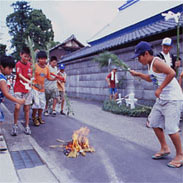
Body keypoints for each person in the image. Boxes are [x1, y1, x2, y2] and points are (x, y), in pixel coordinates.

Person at [130, 41, 183, 168]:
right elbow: (152, 78)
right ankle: (165, 148)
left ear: (146, 53)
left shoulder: (157, 61)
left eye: (139, 57)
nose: (138, 60)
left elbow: (172, 73)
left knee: (171, 128)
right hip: (162, 99)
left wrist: (160, 89)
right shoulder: (150, 64)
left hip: (173, 99)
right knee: (153, 122)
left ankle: (180, 155)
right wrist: (137, 74)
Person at [0, 55, 25, 150]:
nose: (11, 71)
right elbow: (7, 94)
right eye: (9, 68)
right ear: (2, 67)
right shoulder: (2, 79)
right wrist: (18, 100)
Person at [31, 51, 56, 126]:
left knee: (42, 104)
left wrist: (56, 78)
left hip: (42, 89)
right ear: (38, 59)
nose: (43, 60)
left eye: (44, 59)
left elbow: (48, 77)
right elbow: (30, 77)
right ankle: (34, 118)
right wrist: (34, 84)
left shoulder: (46, 68)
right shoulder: (34, 66)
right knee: (36, 104)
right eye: (41, 59)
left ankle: (39, 117)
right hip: (35, 88)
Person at [12, 47, 32, 136]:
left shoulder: (30, 65)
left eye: (28, 57)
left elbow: (31, 75)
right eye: (25, 56)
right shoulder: (18, 64)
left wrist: (31, 77)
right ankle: (15, 125)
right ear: (21, 55)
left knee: (27, 109)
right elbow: (19, 75)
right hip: (18, 88)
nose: (26, 58)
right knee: (17, 107)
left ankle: (27, 126)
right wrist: (28, 80)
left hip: (27, 89)